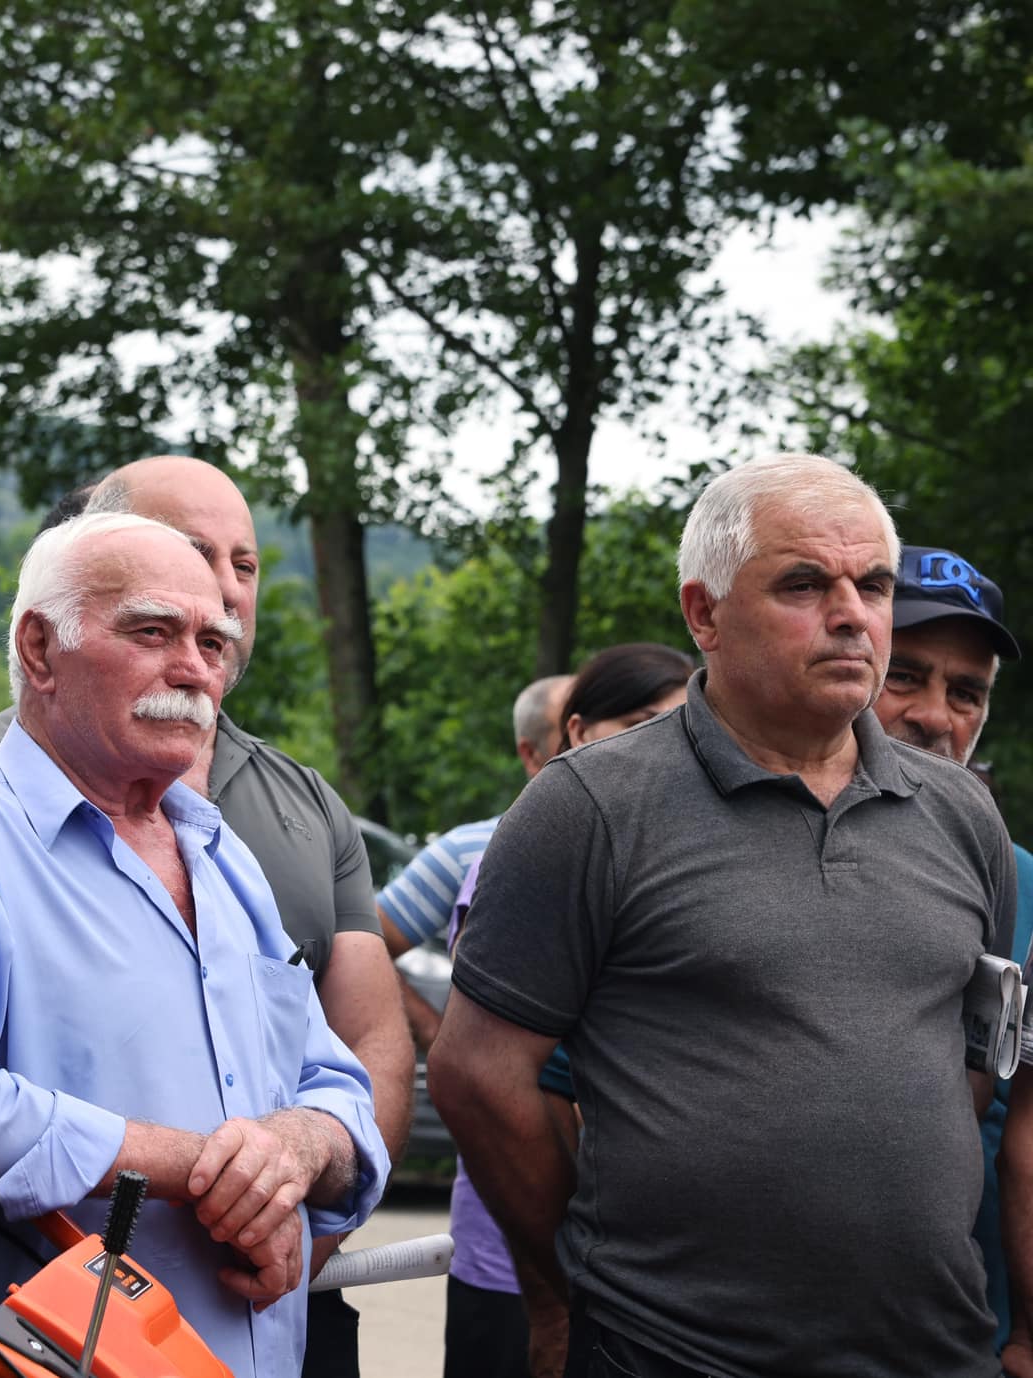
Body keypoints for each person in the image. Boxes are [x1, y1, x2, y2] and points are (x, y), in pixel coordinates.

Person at [429, 453, 1017, 1378]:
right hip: (673, 1353)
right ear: (704, 613)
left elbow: (969, 1063)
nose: (851, 614)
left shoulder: (963, 816)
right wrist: (565, 1286)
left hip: (935, 1350)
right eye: (804, 584)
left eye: (872, 585)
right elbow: (476, 1074)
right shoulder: (589, 807)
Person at [0, 510, 388, 1378]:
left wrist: (294, 1152)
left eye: (214, 643)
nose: (194, 670)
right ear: (39, 650)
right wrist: (207, 1169)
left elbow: (335, 1084)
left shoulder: (223, 856)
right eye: (152, 632)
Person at [438, 644, 693, 1378]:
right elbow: (486, 1069)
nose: (666, 749)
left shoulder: (685, 864)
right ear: (575, 732)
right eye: (642, 723)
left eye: (684, 728)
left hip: (655, 1281)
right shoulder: (529, 856)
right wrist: (554, 1298)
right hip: (523, 1253)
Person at [866, 545, 1030, 1361]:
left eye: (966, 693)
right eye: (905, 676)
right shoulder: (729, 854)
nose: (936, 717)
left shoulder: (1026, 883)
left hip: (965, 1330)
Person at [374, 674, 570, 1048]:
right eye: (572, 730)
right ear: (530, 754)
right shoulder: (469, 850)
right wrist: (432, 1029)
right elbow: (365, 945)